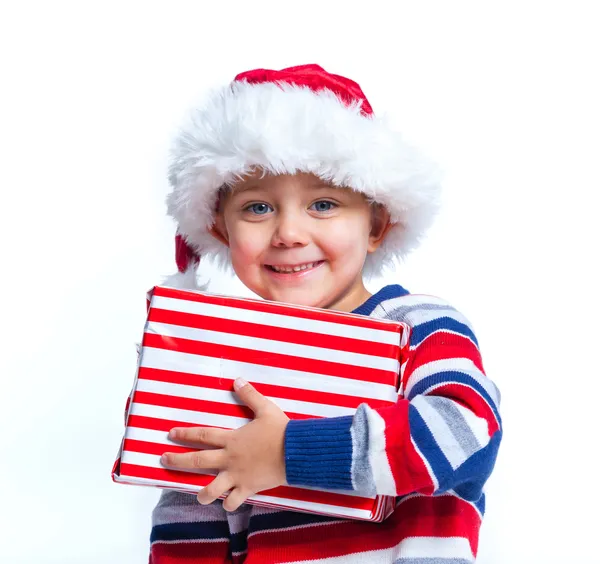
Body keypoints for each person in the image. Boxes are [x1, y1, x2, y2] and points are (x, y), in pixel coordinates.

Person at [148, 64, 502, 563]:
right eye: (256, 208)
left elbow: (467, 434)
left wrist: (289, 452)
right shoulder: (226, 362)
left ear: (377, 224)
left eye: (323, 204)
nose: (289, 233)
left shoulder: (417, 323)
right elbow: (192, 514)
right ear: (222, 231)